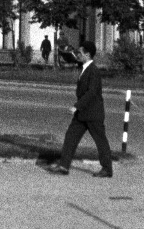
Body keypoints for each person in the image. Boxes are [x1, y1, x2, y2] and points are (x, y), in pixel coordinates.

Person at [47, 41, 113, 177]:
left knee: (100, 141)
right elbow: (70, 57)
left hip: (93, 113)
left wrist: (77, 106)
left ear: (87, 54)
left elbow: (91, 92)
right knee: (71, 137)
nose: (77, 55)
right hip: (82, 114)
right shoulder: (84, 67)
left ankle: (107, 169)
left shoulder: (93, 71)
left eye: (80, 53)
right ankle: (64, 166)